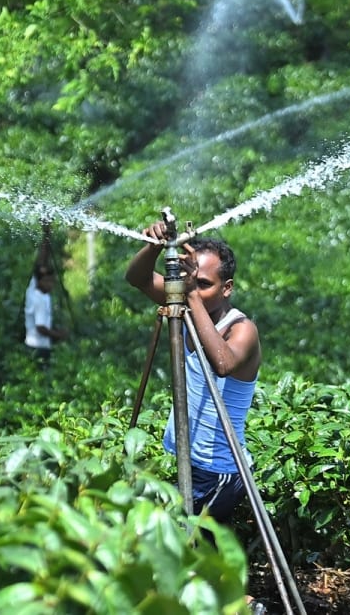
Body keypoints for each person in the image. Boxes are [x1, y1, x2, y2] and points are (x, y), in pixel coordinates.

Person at [124, 221, 262, 525]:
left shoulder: (241, 329)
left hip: (221, 473)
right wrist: (154, 247)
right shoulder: (188, 307)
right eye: (190, 280)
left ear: (227, 288)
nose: (194, 288)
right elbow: (136, 278)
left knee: (163, 536)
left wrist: (191, 296)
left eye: (204, 284)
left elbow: (222, 363)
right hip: (194, 465)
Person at [24, 263, 67, 366]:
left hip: (31, 343)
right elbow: (41, 328)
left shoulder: (32, 292)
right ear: (38, 282)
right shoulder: (40, 300)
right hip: (39, 346)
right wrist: (59, 335)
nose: (50, 284)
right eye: (46, 281)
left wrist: (45, 246)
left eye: (52, 281)